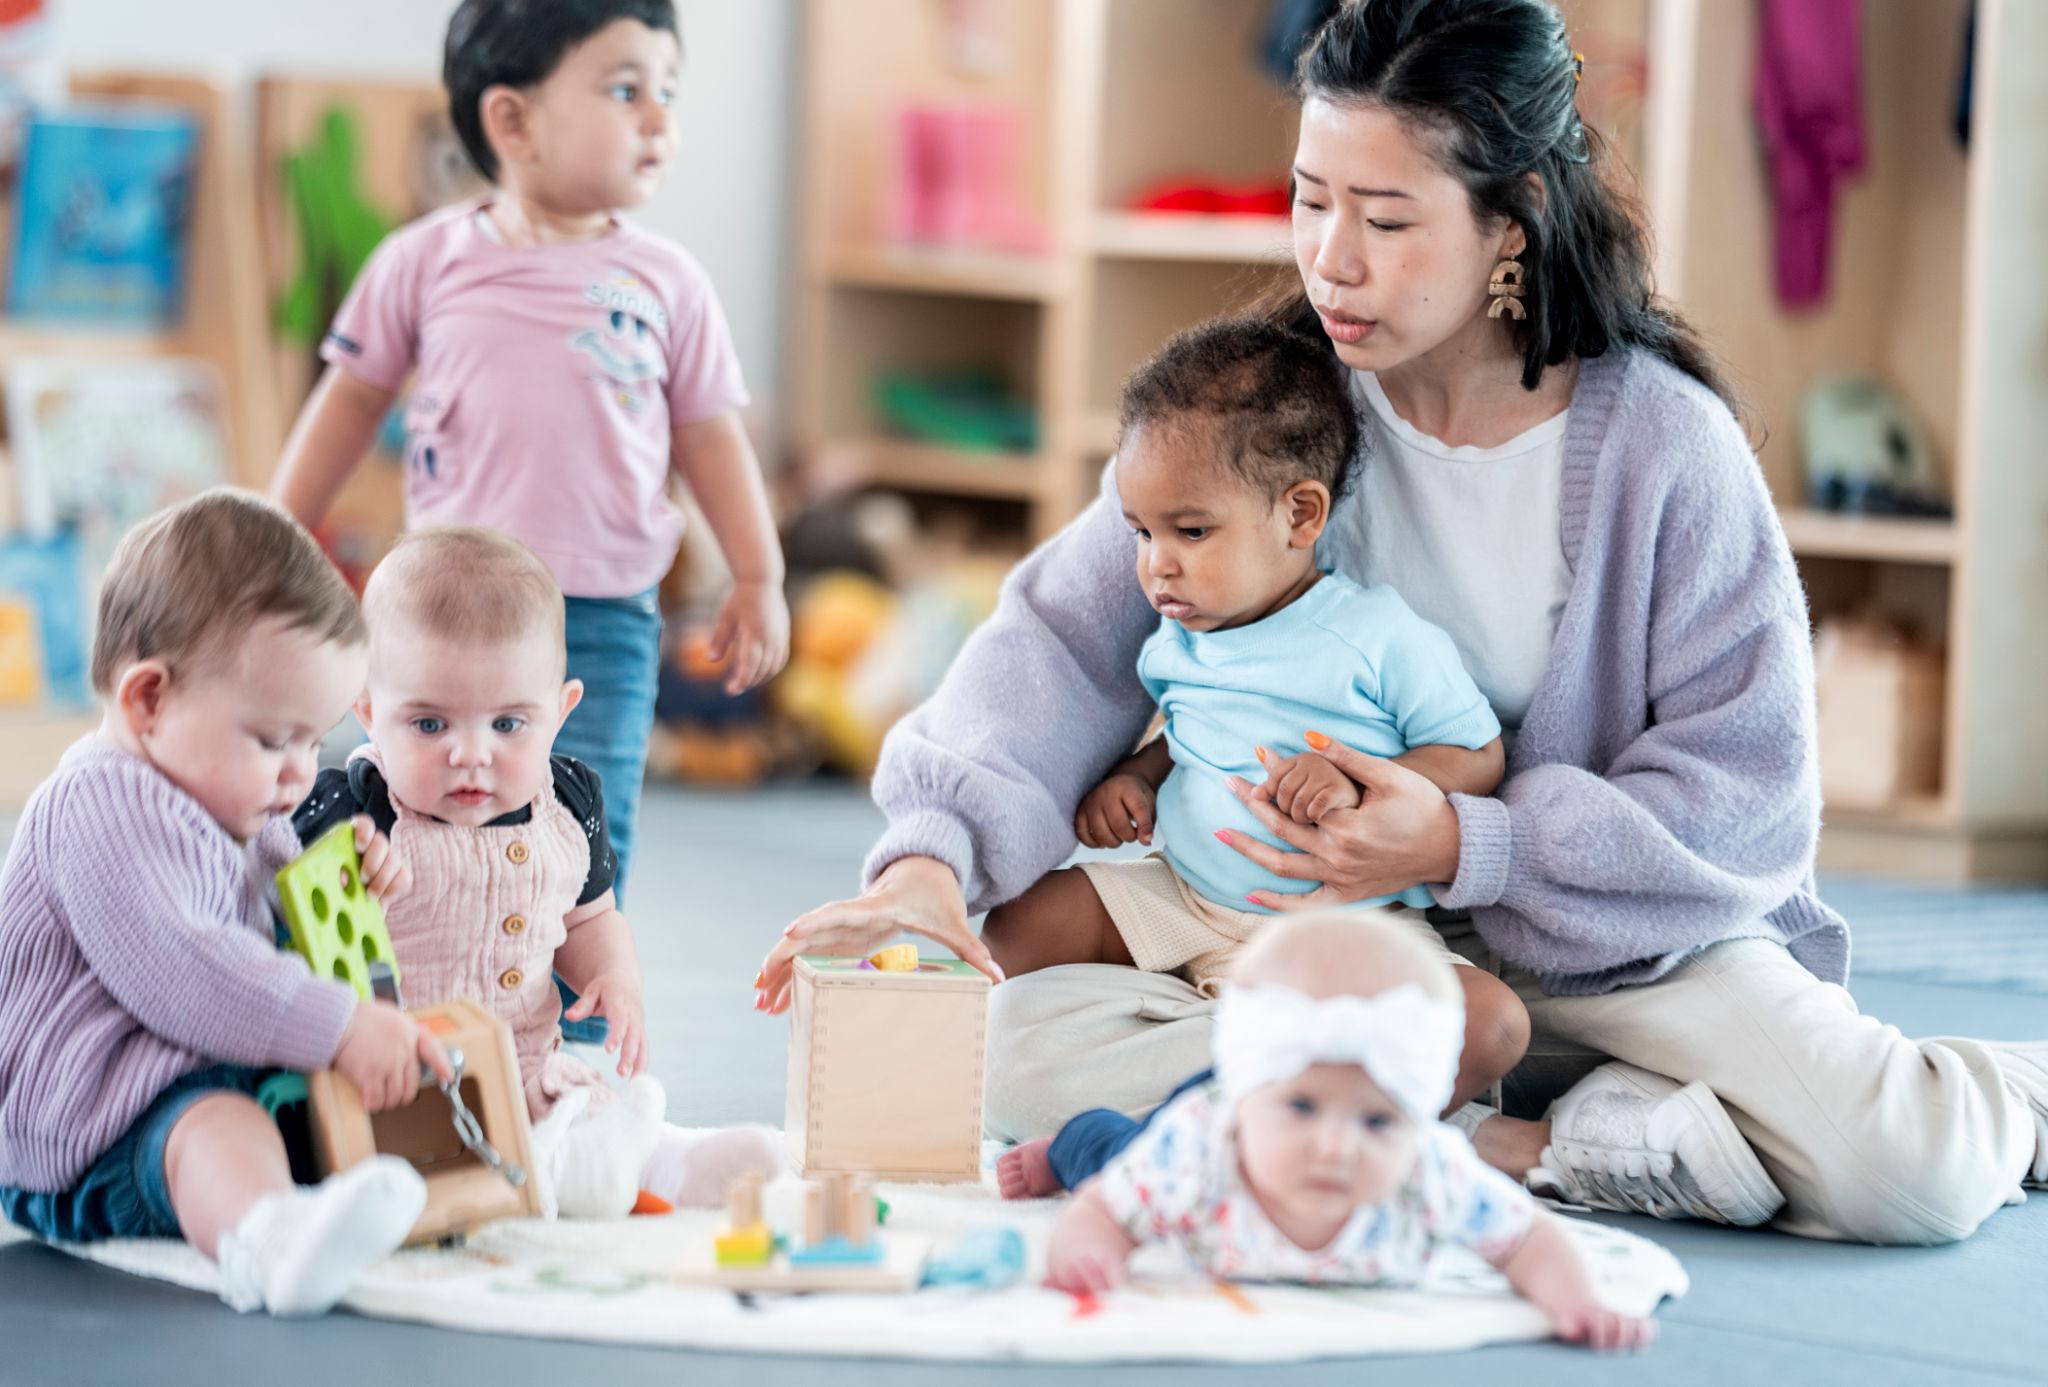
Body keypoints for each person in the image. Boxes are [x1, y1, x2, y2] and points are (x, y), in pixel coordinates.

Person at [762, 0, 2048, 1244]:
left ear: (1513, 223)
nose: (1329, 258)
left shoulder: (1663, 447)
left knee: (1906, 1174)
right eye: (1310, 199)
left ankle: (1998, 1090)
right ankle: (1527, 1140)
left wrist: (1459, 838)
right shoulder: (1265, 414)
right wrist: (929, 863)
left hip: (1611, 963)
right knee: (1005, 1050)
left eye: (1383, 217)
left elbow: (1743, 790)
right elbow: (1053, 644)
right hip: (1301, 951)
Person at [271, 0, 788, 901]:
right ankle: (419, 1002)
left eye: (667, 90)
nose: (660, 118)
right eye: (627, 89)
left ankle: (577, 1028)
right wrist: (277, 532)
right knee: (413, 810)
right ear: (511, 120)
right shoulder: (422, 261)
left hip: (602, 618)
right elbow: (350, 403)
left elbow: (711, 439)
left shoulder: (669, 282)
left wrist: (758, 575)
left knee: (583, 832)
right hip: (443, 612)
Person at [980, 316, 1526, 1115]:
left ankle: (1246, 1074)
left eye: (1191, 531)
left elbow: (1477, 754)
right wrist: (1137, 774)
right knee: (1016, 930)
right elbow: (1186, 732)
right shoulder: (1180, 638)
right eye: (1141, 531)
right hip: (1185, 899)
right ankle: (1270, 1064)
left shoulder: (1376, 635)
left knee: (1489, 1027)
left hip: (1338, 926)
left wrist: (1362, 781)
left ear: (1301, 516)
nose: (1156, 563)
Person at [0, 491, 450, 1316]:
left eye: (314, 741)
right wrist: (340, 1024)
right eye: (274, 740)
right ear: (148, 701)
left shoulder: (233, 801)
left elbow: (281, 927)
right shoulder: (100, 805)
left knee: (344, 1099)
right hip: (100, 1128)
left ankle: (541, 1151)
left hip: (205, 1065)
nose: (299, 772)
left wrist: (343, 879)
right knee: (213, 1127)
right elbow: (194, 969)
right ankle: (267, 1241)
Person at [293, 528, 781, 1217]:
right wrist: (335, 877)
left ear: (560, 712)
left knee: (578, 1102)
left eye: (508, 724)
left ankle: (666, 1163)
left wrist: (615, 979)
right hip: (400, 1077)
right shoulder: (351, 812)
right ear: (369, 713)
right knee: (431, 1155)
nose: (471, 753)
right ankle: (576, 1172)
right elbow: (280, 926)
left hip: (526, 1061)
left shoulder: (569, 804)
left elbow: (590, 917)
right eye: (430, 724)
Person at [1040, 913, 1655, 1353]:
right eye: (1304, 1109)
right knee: (1108, 1158)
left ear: (1418, 1117)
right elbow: (1105, 1213)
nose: (1336, 1145)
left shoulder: (1428, 1168)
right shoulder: (1202, 1141)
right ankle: (1066, 1142)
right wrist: (1090, 1251)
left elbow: (1525, 1240)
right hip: (1205, 1113)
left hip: (1269, 1093)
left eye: (1377, 1120)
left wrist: (1575, 1300)